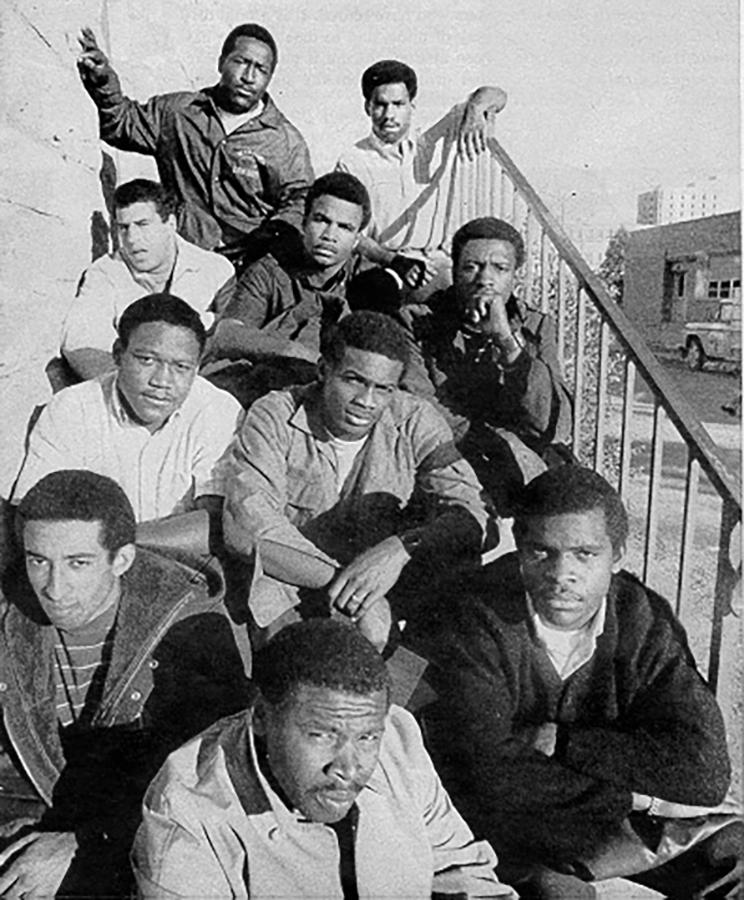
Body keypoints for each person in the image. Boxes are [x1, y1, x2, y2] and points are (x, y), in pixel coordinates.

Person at [427, 465, 742, 899]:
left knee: (738, 855)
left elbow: (705, 771)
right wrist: (634, 794)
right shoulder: (476, 613)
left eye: (584, 554)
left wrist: (563, 741)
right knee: (561, 896)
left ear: (618, 556)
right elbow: (487, 773)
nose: (561, 574)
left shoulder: (641, 616)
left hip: (607, 828)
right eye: (541, 552)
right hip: (510, 833)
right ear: (518, 547)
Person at [0, 470, 252, 897]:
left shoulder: (190, 626)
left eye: (78, 563)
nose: (54, 587)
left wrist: (86, 847)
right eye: (38, 560)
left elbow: (212, 784)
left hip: (140, 841)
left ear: (122, 559)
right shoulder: (9, 616)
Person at [133, 618, 515, 898]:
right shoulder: (186, 812)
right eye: (321, 735)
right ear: (263, 717)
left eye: (366, 737)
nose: (348, 768)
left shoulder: (398, 735)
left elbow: (463, 874)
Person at [222, 310, 489, 651]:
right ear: (323, 370)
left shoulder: (415, 420)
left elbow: (471, 514)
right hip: (292, 591)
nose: (367, 401)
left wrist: (402, 548)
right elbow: (247, 525)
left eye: (383, 388)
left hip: (385, 596)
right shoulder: (275, 414)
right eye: (353, 380)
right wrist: (350, 587)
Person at [13, 295, 242, 549]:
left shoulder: (217, 411)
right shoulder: (72, 408)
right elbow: (39, 514)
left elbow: (215, 524)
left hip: (181, 564)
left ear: (197, 367)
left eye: (181, 366)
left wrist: (108, 542)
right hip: (85, 567)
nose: (161, 381)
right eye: (146, 360)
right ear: (118, 354)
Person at [77, 24, 313, 268]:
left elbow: (300, 198)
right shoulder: (178, 113)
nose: (249, 77)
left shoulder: (285, 140)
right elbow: (121, 124)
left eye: (261, 69)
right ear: (221, 62)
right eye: (241, 62)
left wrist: (271, 239)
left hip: (248, 265)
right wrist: (103, 82)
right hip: (183, 258)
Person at [406, 216, 573, 513]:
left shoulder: (536, 325)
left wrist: (506, 341)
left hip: (522, 459)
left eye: (500, 268)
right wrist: (499, 440)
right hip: (449, 456)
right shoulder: (416, 322)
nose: (485, 279)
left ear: (513, 277)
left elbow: (554, 424)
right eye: (471, 267)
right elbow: (420, 408)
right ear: (455, 273)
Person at [202, 172, 370, 407]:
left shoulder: (366, 281)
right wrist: (301, 353)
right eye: (321, 220)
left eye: (344, 227)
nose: (329, 235)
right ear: (304, 223)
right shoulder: (270, 270)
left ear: (356, 239)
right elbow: (228, 333)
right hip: (267, 387)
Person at [336, 59, 507, 291]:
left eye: (398, 104)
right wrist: (394, 261)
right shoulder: (353, 161)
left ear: (411, 107)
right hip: (384, 265)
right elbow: (353, 234)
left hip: (438, 264)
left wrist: (476, 109)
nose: (389, 114)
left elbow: (496, 95)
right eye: (381, 104)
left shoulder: (430, 142)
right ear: (368, 107)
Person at [61, 179, 234, 380]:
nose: (132, 239)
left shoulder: (217, 270)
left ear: (170, 224)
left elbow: (232, 339)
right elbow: (81, 345)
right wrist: (136, 387)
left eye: (143, 225)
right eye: (123, 228)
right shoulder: (105, 273)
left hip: (202, 385)